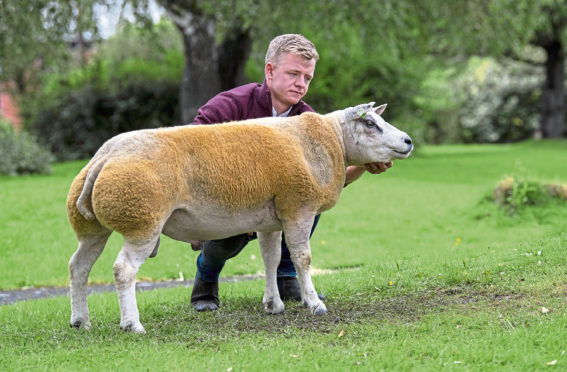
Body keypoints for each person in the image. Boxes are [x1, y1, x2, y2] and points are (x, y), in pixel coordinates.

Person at [180, 34, 392, 311]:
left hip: (279, 204)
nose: (300, 83)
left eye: (307, 77)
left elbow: (324, 180)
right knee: (227, 241)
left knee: (308, 197)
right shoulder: (229, 106)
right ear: (270, 70)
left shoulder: (309, 122)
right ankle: (206, 279)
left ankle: (287, 278)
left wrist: (364, 165)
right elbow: (187, 154)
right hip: (227, 201)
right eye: (293, 73)